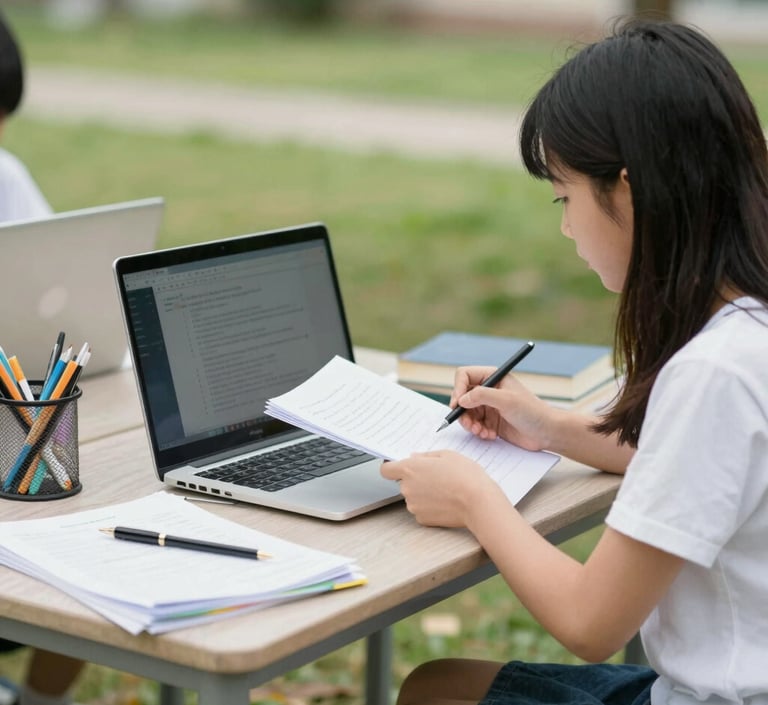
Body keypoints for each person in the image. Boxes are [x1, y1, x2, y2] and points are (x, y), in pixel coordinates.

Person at [381, 18, 768, 705]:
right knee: (436, 684)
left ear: (626, 191)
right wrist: (550, 427)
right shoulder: (747, 328)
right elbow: (704, 467)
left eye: (565, 197)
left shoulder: (715, 372)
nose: (565, 226)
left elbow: (591, 621)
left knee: (432, 695)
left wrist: (475, 497)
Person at [0, 10, 86, 705]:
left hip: (18, 419)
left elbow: (58, 295)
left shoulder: (6, 174)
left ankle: (39, 698)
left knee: (100, 531)